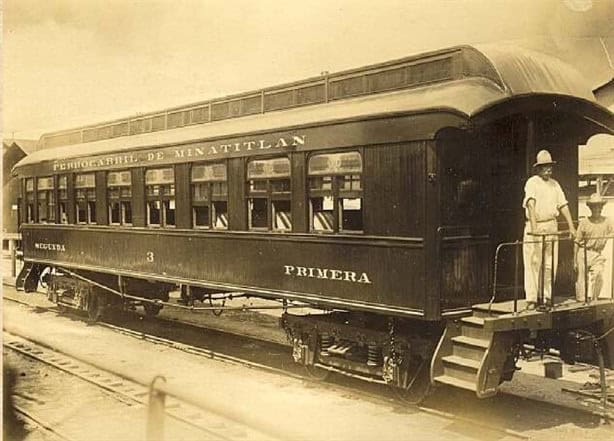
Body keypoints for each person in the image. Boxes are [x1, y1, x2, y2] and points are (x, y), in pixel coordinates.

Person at [522, 150, 576, 309]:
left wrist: (571, 227)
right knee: (533, 262)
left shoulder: (555, 184)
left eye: (550, 167)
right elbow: (530, 204)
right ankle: (532, 299)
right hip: (536, 226)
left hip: (552, 225)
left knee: (549, 263)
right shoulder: (532, 182)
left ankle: (547, 297)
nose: (548, 170)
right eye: (545, 167)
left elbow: (563, 205)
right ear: (538, 168)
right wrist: (534, 227)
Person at [574, 193, 614, 302]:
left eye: (599, 206)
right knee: (581, 277)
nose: (597, 209)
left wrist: (607, 236)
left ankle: (594, 299)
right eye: (595, 206)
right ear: (590, 208)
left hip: (597, 254)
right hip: (583, 252)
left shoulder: (608, 221)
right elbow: (577, 242)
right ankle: (581, 301)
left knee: (598, 274)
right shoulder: (584, 222)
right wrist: (575, 261)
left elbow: (612, 232)